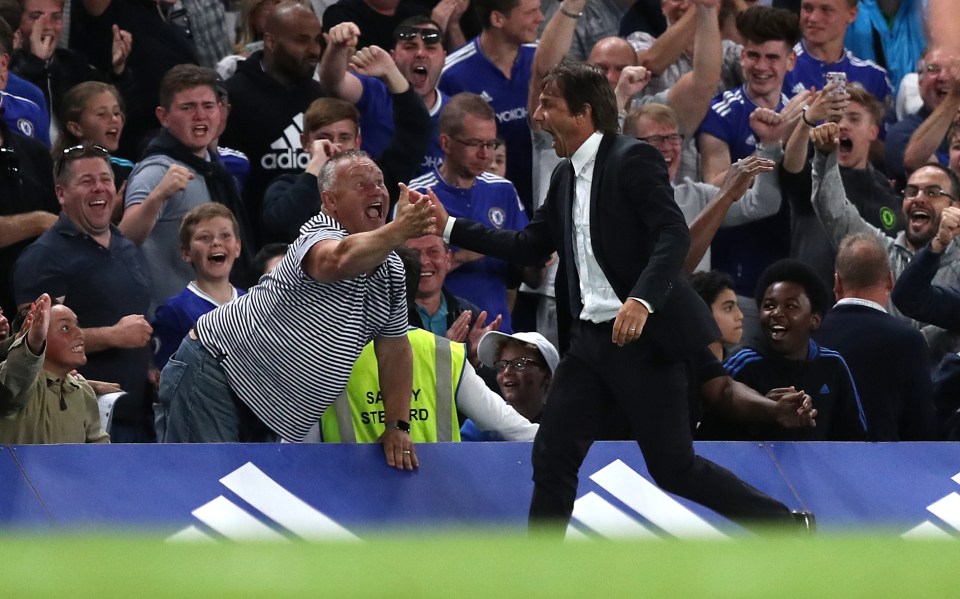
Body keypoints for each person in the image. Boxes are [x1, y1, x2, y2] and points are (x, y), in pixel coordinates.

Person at [433, 61, 808, 532]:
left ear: (583, 113)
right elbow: (529, 244)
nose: (537, 115)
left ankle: (786, 525)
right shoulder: (565, 176)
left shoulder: (633, 158)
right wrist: (445, 224)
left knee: (674, 467)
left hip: (645, 339)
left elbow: (671, 234)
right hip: (590, 341)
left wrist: (642, 300)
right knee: (552, 454)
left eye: (549, 104)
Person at [159, 150, 435, 472]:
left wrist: (398, 426)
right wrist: (399, 230)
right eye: (362, 185)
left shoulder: (391, 270)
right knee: (206, 489)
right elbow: (339, 260)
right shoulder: (317, 236)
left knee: (243, 504)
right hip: (215, 372)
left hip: (271, 408)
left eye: (380, 183)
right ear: (330, 202)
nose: (376, 191)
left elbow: (395, 349)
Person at [318, 246, 538, 443]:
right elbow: (511, 428)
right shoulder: (446, 354)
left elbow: (294, 445)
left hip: (347, 483)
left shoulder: (323, 354)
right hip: (431, 484)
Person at [12, 144, 153, 442]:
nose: (99, 188)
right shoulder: (44, 257)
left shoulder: (125, 245)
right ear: (61, 193)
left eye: (105, 179)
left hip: (138, 417)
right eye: (87, 181)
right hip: (75, 421)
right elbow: (32, 342)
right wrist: (113, 335)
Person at [809, 121, 960, 358]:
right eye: (911, 192)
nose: (918, 199)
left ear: (955, 207)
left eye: (933, 192)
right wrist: (825, 155)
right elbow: (834, 212)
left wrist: (904, 345)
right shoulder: (879, 251)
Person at [121, 66, 253, 314]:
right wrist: (158, 196)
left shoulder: (214, 167)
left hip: (218, 320)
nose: (200, 115)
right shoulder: (157, 171)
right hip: (173, 325)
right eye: (188, 107)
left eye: (208, 106)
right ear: (163, 116)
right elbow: (122, 239)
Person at [707, 259, 868, 441]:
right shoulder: (743, 363)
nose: (776, 313)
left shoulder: (833, 364)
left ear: (814, 319)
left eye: (790, 306)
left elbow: (854, 437)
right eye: (769, 306)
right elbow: (711, 436)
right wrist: (763, 413)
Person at [410, 92, 531, 333]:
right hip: (439, 333)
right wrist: (467, 253)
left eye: (491, 144)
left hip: (497, 332)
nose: (485, 154)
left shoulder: (503, 190)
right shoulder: (418, 195)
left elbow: (528, 275)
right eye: (475, 144)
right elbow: (406, 275)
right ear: (445, 143)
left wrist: (538, 258)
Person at [624, 103, 781, 274]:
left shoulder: (698, 195)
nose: (668, 147)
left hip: (696, 296)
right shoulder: (617, 201)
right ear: (631, 146)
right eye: (656, 139)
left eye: (673, 138)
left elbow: (762, 204)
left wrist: (770, 145)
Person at [220, 1, 324, 246]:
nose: (314, 50)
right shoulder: (234, 96)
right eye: (301, 40)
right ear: (270, 42)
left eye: (317, 39)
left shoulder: (318, 96)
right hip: (255, 243)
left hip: (314, 243)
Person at [816, 233, 934, 441]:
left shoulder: (810, 334)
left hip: (816, 467)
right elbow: (922, 427)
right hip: (888, 468)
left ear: (837, 283)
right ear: (890, 280)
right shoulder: (910, 341)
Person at [781, 85, 900, 287]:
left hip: (871, 304)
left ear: (873, 131)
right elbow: (791, 168)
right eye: (835, 119)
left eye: (854, 118)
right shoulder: (816, 174)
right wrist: (807, 120)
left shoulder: (886, 190)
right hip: (814, 302)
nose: (843, 125)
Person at [439, 0, 543, 215]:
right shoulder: (453, 74)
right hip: (487, 209)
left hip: (544, 201)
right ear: (498, 19)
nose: (540, 18)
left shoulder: (541, 60)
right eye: (531, 12)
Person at [320, 17, 446, 174]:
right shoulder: (373, 91)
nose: (420, 53)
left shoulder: (454, 113)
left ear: (444, 57)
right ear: (392, 56)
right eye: (410, 47)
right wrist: (336, 48)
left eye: (430, 48)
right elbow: (334, 84)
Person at [11, 0, 133, 143]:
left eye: (56, 17)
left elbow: (118, 113)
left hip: (72, 158)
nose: (48, 26)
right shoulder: (8, 66)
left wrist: (119, 72)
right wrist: (35, 64)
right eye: (36, 17)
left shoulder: (74, 64)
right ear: (18, 22)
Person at [0, 293, 110, 444]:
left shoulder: (82, 390)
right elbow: (16, 379)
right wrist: (33, 342)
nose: (79, 333)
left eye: (77, 325)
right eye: (65, 328)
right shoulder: (18, 385)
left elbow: (99, 450)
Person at [151, 203, 245, 372]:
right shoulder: (173, 312)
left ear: (237, 247)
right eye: (204, 238)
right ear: (186, 252)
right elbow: (169, 383)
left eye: (225, 235)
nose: (216, 242)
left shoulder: (252, 303)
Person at [782, 0, 893, 125]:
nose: (813, 18)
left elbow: (886, 141)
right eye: (807, 8)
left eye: (826, 10)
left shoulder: (873, 77)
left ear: (852, 14)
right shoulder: (779, 68)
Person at [459, 329, 558, 441]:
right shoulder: (478, 426)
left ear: (547, 376)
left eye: (519, 364)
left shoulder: (567, 425)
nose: (506, 372)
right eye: (501, 366)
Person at [55, 81, 133, 199]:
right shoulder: (57, 173)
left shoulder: (126, 170)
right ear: (76, 128)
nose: (114, 119)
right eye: (101, 114)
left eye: (116, 113)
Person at [690, 269, 743, 360]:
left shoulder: (739, 366)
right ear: (703, 313)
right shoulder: (681, 370)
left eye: (737, 306)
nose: (740, 315)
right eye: (728, 308)